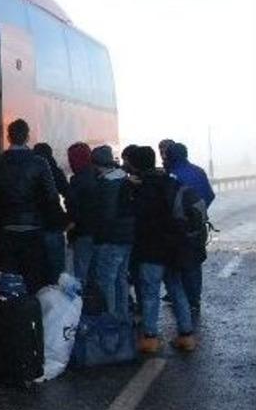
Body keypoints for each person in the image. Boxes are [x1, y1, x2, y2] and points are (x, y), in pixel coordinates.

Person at [0, 118, 63, 292]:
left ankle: (12, 315)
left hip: (6, 228)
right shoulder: (39, 162)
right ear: (27, 137)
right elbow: (51, 197)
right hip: (33, 228)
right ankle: (32, 315)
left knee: (10, 280)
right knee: (34, 278)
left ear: (8, 137)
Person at [130, 146, 196, 352]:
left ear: (137, 164)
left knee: (150, 293)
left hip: (150, 249)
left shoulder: (140, 188)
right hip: (173, 247)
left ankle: (150, 338)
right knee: (177, 289)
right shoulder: (170, 181)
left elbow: (138, 219)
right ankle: (186, 335)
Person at [163, 142, 214, 315]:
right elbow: (210, 195)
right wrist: (199, 212)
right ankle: (194, 300)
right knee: (195, 262)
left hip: (178, 226)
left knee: (178, 264)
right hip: (199, 226)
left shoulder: (171, 175)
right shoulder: (198, 171)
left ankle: (181, 300)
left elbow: (166, 203)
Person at [88, 145, 135, 321]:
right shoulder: (125, 179)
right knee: (121, 278)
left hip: (110, 239)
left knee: (107, 279)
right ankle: (123, 317)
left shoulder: (107, 184)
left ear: (96, 164)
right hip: (127, 238)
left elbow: (106, 215)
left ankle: (111, 318)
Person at [33, 142, 68, 285]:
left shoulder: (31, 170)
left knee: (38, 266)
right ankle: (56, 299)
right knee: (57, 269)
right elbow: (68, 194)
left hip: (35, 225)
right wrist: (68, 219)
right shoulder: (56, 171)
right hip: (54, 225)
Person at [66, 142, 97, 285]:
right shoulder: (99, 175)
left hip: (83, 232)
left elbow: (73, 207)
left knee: (81, 273)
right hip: (101, 232)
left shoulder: (77, 180)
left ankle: (83, 304)